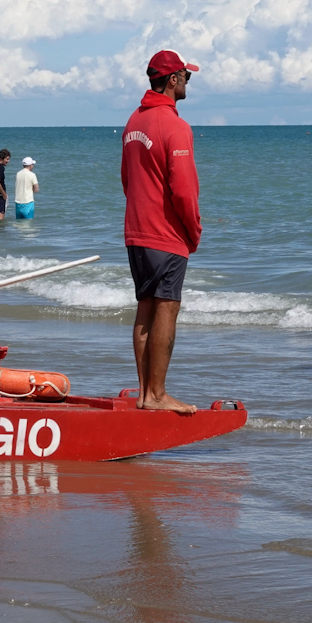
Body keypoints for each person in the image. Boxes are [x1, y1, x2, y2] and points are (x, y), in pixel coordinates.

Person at [121, 50, 202, 414]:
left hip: (136, 232)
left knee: (145, 309)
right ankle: (156, 396)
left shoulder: (133, 122)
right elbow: (183, 189)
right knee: (167, 309)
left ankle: (144, 394)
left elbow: (127, 179)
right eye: (186, 76)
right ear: (172, 80)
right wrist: (193, 231)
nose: (188, 82)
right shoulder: (175, 126)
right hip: (165, 235)